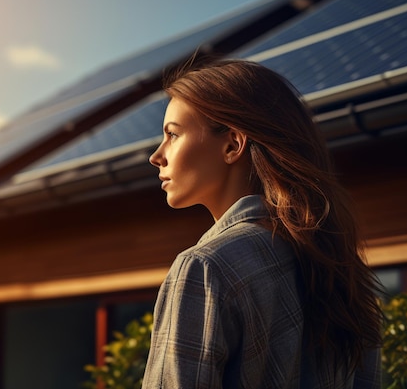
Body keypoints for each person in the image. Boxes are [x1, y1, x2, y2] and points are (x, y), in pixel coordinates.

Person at [143, 58, 383, 388]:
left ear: (232, 144)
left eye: (173, 134)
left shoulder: (204, 268)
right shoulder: (342, 266)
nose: (157, 155)